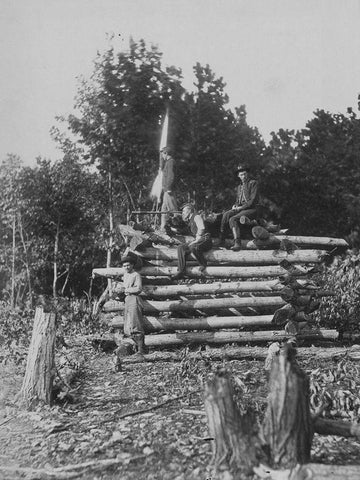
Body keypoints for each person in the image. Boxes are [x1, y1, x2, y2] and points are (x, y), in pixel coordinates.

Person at [219, 164, 259, 251]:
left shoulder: (253, 183)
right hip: (241, 209)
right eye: (241, 175)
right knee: (226, 214)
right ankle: (222, 240)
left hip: (251, 209)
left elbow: (252, 201)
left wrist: (240, 208)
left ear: (247, 174)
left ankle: (237, 243)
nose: (243, 176)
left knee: (232, 219)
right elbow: (238, 201)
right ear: (238, 176)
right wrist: (235, 205)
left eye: (245, 174)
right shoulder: (239, 187)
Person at [172, 203, 213, 280]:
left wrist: (196, 239)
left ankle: (203, 264)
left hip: (206, 239)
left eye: (184, 211)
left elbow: (201, 228)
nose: (183, 213)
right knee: (181, 248)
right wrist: (173, 230)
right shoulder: (190, 220)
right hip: (199, 240)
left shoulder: (196, 216)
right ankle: (181, 271)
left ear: (190, 210)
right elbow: (185, 231)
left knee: (194, 246)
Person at [120, 255, 147, 355]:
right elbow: (124, 287)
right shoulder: (125, 275)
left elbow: (138, 289)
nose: (126, 267)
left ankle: (141, 350)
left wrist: (126, 290)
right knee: (128, 325)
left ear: (132, 265)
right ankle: (135, 348)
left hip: (134, 299)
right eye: (124, 266)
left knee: (136, 323)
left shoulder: (136, 275)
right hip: (127, 299)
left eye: (128, 265)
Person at [159, 146, 178, 231]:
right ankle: (163, 227)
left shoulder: (171, 162)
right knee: (164, 209)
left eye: (163, 153)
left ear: (166, 153)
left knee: (173, 209)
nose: (162, 155)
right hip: (166, 190)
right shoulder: (167, 162)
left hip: (169, 190)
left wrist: (169, 187)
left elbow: (171, 175)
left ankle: (178, 226)